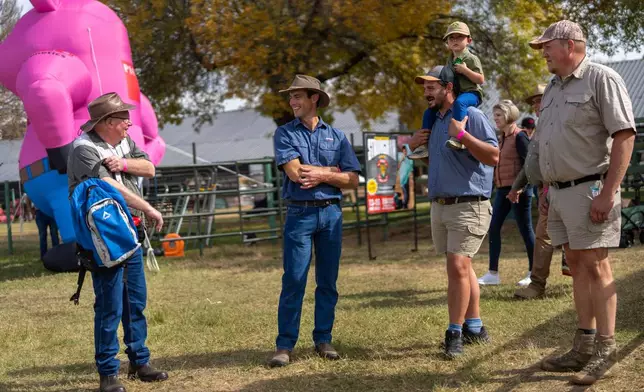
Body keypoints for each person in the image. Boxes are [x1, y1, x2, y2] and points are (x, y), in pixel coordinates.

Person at [529, 20, 635, 385]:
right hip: (558, 192)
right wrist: (547, 190)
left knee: (596, 267)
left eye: (547, 45)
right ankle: (583, 347)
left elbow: (624, 136)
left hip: (591, 188)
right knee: (575, 264)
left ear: (569, 45)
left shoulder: (602, 79)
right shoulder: (553, 89)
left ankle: (605, 351)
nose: (543, 52)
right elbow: (547, 142)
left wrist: (608, 193)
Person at [67, 92, 168, 392]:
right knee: (109, 305)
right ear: (107, 122)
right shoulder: (82, 149)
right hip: (105, 236)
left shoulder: (123, 144)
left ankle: (139, 361)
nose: (128, 123)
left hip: (130, 231)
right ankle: (108, 373)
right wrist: (148, 207)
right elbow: (109, 187)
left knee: (134, 302)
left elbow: (148, 168)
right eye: (123, 118)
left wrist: (123, 164)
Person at [269, 75, 361, 367]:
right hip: (299, 213)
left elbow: (354, 179)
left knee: (328, 281)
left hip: (331, 213)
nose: (292, 102)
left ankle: (323, 339)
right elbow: (297, 173)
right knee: (294, 279)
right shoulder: (284, 133)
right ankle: (284, 345)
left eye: (298, 96)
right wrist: (333, 172)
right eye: (291, 97)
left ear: (314, 99)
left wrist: (322, 174)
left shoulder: (337, 136)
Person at [408, 66, 499, 359]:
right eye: (424, 87)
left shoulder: (471, 116)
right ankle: (474, 327)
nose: (426, 92)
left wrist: (463, 135)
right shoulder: (434, 122)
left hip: (468, 203)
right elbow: (439, 162)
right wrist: (413, 147)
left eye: (431, 87)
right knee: (463, 267)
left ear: (449, 88)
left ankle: (454, 333)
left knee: (457, 268)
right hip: (441, 205)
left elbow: (494, 156)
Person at [511, 85, 570, 301]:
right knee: (547, 235)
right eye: (534, 102)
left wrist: (546, 188)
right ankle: (538, 283)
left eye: (538, 100)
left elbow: (558, 158)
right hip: (546, 189)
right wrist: (517, 186)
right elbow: (532, 162)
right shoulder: (541, 126)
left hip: (558, 188)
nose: (535, 105)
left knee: (553, 236)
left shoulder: (560, 122)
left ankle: (539, 284)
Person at [478, 100, 535, 287]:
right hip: (503, 190)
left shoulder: (520, 137)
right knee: (493, 227)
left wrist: (518, 189)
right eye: (494, 115)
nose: (495, 119)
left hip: (520, 191)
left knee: (525, 230)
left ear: (509, 116)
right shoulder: (501, 138)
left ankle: (533, 273)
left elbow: (529, 166)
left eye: (499, 115)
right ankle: (492, 273)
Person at [409, 21, 484, 159]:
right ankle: (424, 146)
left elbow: (480, 80)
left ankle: (458, 137)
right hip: (459, 94)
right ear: (447, 42)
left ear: (469, 40)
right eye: (451, 38)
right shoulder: (449, 60)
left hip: (471, 93)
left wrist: (465, 70)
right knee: (428, 113)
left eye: (459, 37)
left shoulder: (471, 58)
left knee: (459, 103)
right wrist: (413, 144)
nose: (455, 40)